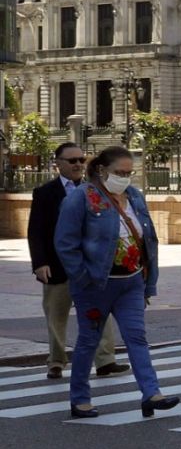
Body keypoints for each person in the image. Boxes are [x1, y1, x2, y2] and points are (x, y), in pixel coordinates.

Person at [53, 146, 177, 419]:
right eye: (119, 172)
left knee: (137, 337)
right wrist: (83, 278)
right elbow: (65, 243)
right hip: (96, 285)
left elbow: (148, 239)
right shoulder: (83, 198)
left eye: (129, 173)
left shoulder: (133, 196)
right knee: (89, 340)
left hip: (130, 282)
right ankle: (80, 399)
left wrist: (147, 283)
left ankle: (151, 393)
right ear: (101, 170)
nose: (125, 177)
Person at [28, 142, 123, 380]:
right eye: (72, 161)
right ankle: (57, 362)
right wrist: (40, 263)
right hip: (57, 267)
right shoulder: (45, 193)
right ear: (57, 164)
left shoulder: (95, 190)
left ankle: (105, 361)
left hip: (90, 267)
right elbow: (36, 231)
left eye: (82, 160)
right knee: (56, 316)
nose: (79, 165)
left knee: (100, 313)